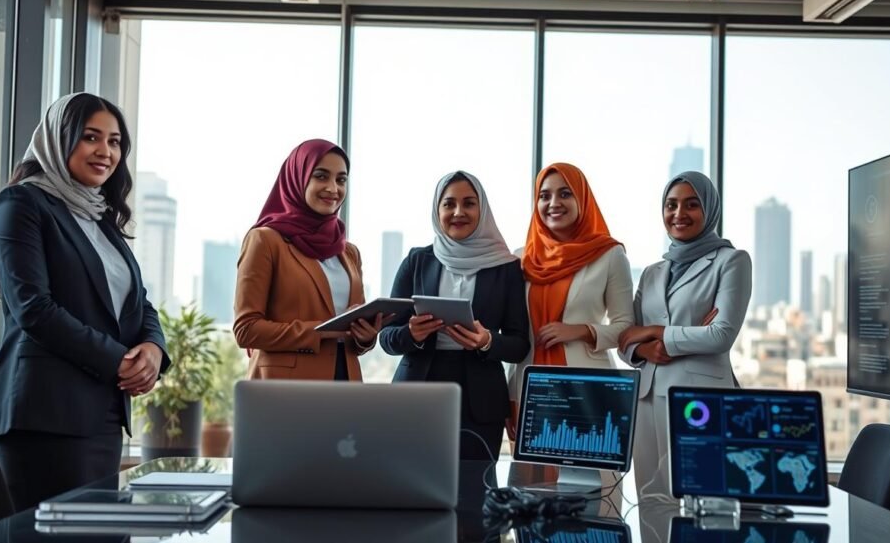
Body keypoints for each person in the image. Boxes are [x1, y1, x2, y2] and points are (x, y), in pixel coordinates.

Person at [0, 93, 169, 511]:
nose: (106, 151)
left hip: (102, 412)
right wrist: (119, 360)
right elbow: (34, 309)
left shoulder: (100, 217)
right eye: (90, 137)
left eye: (115, 141)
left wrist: (154, 349)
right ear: (57, 139)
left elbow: (138, 302)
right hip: (45, 415)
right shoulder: (22, 203)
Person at [618, 171, 752, 498]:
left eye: (691, 205)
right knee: (651, 499)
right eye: (671, 205)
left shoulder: (731, 261)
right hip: (647, 397)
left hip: (700, 397)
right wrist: (643, 350)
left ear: (709, 210)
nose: (679, 214)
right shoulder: (651, 273)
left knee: (700, 501)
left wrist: (656, 332)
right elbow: (625, 339)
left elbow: (720, 335)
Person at [380, 171, 529, 460]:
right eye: (448, 204)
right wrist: (411, 334)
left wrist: (487, 341)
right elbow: (386, 338)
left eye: (469, 203)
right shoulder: (417, 260)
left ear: (482, 210)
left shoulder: (507, 267)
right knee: (410, 485)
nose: (458, 212)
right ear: (437, 211)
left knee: (475, 489)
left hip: (481, 396)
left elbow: (520, 343)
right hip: (417, 391)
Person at [234, 139, 381, 381]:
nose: (333, 188)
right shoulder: (265, 241)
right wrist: (322, 330)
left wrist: (365, 336)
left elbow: (354, 338)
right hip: (286, 387)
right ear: (298, 178)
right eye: (321, 176)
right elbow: (246, 329)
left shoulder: (349, 252)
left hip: (346, 382)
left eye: (341, 180)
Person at [507, 162, 634, 434]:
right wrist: (511, 395)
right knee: (533, 476)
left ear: (582, 199)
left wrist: (580, 331)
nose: (554, 203)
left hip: (588, 389)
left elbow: (626, 328)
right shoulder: (520, 259)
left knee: (592, 474)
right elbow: (517, 334)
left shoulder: (609, 255)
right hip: (531, 389)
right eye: (544, 195)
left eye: (565, 194)